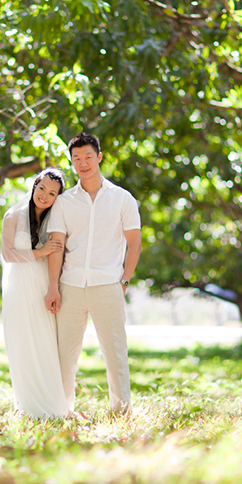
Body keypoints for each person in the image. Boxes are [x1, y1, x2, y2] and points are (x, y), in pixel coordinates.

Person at [44, 132, 142, 414]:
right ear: (72, 162)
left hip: (107, 284)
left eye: (88, 157)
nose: (83, 163)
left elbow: (134, 243)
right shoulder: (64, 202)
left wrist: (124, 280)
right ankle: (61, 410)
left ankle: (121, 411)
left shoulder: (122, 199)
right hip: (70, 286)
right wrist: (53, 287)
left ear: (99, 157)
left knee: (115, 353)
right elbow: (57, 246)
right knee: (65, 356)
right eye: (77, 159)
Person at [0, 168, 69, 419]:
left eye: (52, 193)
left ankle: (51, 404)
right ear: (34, 185)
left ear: (57, 198)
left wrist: (53, 287)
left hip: (42, 286)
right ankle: (27, 406)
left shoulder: (55, 220)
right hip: (19, 288)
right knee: (22, 344)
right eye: (42, 189)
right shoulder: (13, 216)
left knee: (44, 342)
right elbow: (7, 254)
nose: (45, 196)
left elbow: (58, 252)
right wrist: (41, 252)